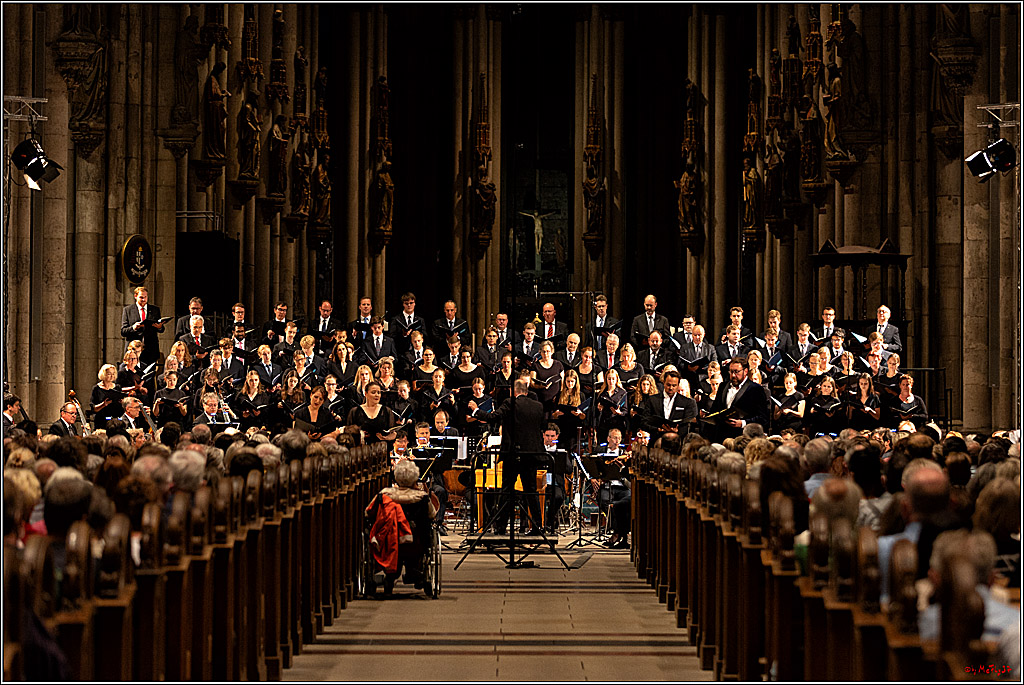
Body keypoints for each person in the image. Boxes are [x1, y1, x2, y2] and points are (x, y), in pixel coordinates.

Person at [468, 378, 546, 535]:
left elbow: (492, 417)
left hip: (513, 454)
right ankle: (538, 526)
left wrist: (476, 410)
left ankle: (502, 527)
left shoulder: (510, 403)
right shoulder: (538, 406)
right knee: (531, 491)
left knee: (507, 491)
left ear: (514, 391)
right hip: (532, 455)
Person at [363, 458, 437, 596]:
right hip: (416, 541)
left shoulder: (384, 495)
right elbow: (432, 515)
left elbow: (368, 513)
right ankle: (415, 571)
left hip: (388, 540)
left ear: (396, 478)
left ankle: (390, 577)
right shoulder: (422, 497)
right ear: (415, 478)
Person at [707, 357, 771, 442]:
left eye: (736, 372)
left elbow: (763, 418)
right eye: (731, 371)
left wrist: (742, 423)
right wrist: (708, 416)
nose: (733, 375)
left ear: (745, 371)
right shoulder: (723, 386)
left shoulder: (756, 389)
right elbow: (715, 409)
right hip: (722, 437)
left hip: (743, 438)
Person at [592, 427, 631, 548]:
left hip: (621, 486)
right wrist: (593, 478)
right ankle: (618, 531)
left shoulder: (624, 453)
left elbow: (629, 473)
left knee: (627, 501)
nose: (617, 440)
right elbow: (592, 466)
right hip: (606, 486)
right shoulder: (599, 450)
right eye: (614, 438)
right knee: (604, 501)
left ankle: (617, 533)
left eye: (619, 438)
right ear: (608, 438)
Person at [641, 370, 697, 439]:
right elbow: (644, 422)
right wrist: (658, 429)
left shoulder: (687, 402)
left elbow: (690, 425)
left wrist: (677, 431)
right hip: (657, 442)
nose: (671, 388)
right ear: (663, 383)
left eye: (674, 385)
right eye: (668, 385)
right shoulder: (652, 400)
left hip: (678, 443)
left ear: (678, 385)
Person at [119, 286, 165, 366]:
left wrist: (159, 327)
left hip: (150, 350)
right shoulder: (128, 310)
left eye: (145, 297)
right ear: (135, 296)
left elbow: (161, 329)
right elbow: (123, 331)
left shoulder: (154, 310)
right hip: (134, 351)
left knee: (149, 376)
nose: (143, 299)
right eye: (141, 297)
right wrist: (133, 328)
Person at [542, 424, 567, 534]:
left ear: (557, 436)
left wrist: (561, 459)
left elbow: (569, 469)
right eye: (547, 435)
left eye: (552, 436)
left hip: (555, 482)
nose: (549, 439)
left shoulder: (560, 451)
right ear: (543, 435)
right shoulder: (538, 449)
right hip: (539, 481)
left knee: (558, 497)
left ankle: (549, 520)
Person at [530, 340, 564, 411]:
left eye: (548, 351)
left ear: (552, 351)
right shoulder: (535, 365)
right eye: (543, 351)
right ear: (540, 352)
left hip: (555, 400)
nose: (546, 354)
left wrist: (559, 397)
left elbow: (563, 384)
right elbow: (532, 384)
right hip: (540, 399)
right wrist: (540, 386)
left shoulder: (558, 364)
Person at [389, 291, 426, 355]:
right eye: (406, 303)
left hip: (417, 351)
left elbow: (425, 336)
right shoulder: (396, 319)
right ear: (403, 304)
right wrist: (403, 335)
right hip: (401, 352)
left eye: (411, 303)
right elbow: (391, 337)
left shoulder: (420, 320)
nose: (409, 305)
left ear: (414, 304)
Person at [90, 364, 124, 431]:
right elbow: (93, 408)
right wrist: (103, 404)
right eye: (109, 374)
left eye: (113, 374)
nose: (112, 376)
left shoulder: (117, 387)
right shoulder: (96, 388)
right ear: (104, 374)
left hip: (115, 420)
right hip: (101, 420)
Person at [596, 368, 628, 436]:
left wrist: (619, 413)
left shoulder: (622, 392)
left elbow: (625, 411)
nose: (611, 381)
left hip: (617, 423)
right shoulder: (602, 393)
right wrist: (599, 409)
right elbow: (596, 412)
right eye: (609, 379)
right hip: (604, 424)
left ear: (616, 379)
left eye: (613, 379)